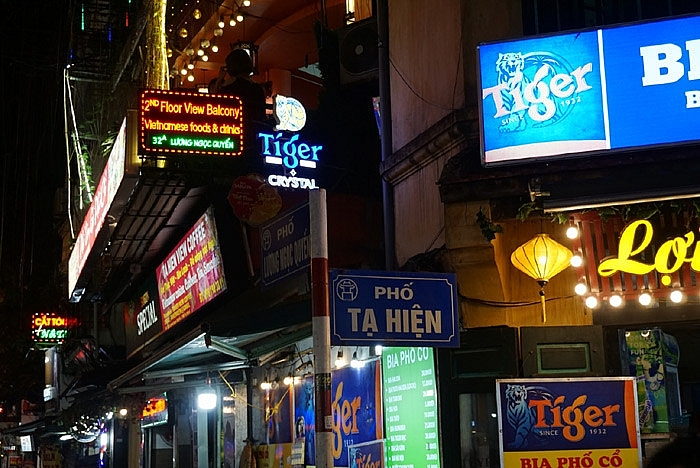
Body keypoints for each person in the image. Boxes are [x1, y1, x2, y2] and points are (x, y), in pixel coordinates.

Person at [215, 48, 268, 150]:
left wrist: (219, 80)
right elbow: (261, 115)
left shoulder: (228, 89)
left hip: (230, 140)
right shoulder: (257, 89)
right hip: (253, 140)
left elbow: (214, 109)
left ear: (230, 68)